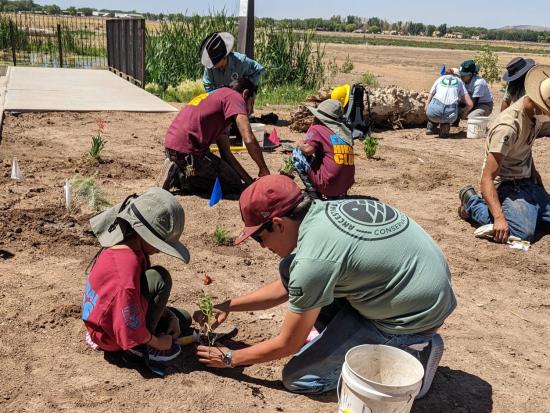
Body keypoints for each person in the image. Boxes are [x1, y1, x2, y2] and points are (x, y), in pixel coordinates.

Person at [195, 175, 457, 399]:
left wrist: (231, 358)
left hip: (411, 317)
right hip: (409, 286)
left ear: (277, 224)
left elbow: (287, 343)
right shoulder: (322, 211)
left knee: (299, 378)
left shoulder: (315, 260)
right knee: (291, 268)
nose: (262, 247)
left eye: (259, 238)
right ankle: (354, 334)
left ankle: (412, 348)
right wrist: (228, 306)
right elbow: (292, 284)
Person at [82, 188, 192, 365]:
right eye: (160, 243)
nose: (159, 250)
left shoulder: (126, 244)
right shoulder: (126, 268)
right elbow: (127, 321)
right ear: (143, 234)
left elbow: (132, 295)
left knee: (183, 318)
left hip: (108, 317)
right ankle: (136, 349)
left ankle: (147, 332)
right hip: (109, 335)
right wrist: (158, 343)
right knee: (160, 278)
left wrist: (170, 316)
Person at [458, 65, 550, 243]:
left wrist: (536, 178)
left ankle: (528, 212)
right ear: (539, 102)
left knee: (531, 222)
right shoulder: (507, 127)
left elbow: (524, 150)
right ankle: (472, 204)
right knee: (521, 233)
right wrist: (499, 219)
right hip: (509, 186)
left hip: (528, 183)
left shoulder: (534, 116)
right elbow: (487, 178)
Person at [160, 78, 270, 195]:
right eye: (251, 103)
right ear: (245, 94)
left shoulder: (219, 98)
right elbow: (248, 138)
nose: (251, 110)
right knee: (233, 185)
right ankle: (180, 176)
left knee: (234, 181)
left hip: (172, 149)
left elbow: (226, 155)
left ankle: (180, 170)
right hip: (190, 153)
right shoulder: (235, 97)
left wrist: (249, 182)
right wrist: (263, 168)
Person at [291, 99, 355, 198]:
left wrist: (299, 143)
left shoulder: (317, 129)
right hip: (344, 186)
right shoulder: (346, 133)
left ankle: (313, 192)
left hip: (328, 185)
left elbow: (308, 150)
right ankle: (337, 194)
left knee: (297, 153)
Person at [199, 32, 265, 93]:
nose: (213, 65)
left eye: (215, 62)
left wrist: (246, 86)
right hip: (220, 100)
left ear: (224, 56)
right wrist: (218, 96)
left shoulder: (241, 62)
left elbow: (258, 70)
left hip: (238, 99)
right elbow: (208, 85)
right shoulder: (210, 66)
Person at [425, 70, 473, 137]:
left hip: (432, 114)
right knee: (456, 107)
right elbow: (470, 104)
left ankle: (431, 127)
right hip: (450, 116)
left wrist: (427, 106)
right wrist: (463, 112)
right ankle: (445, 127)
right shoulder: (460, 82)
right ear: (457, 76)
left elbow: (431, 95)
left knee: (434, 105)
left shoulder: (440, 79)